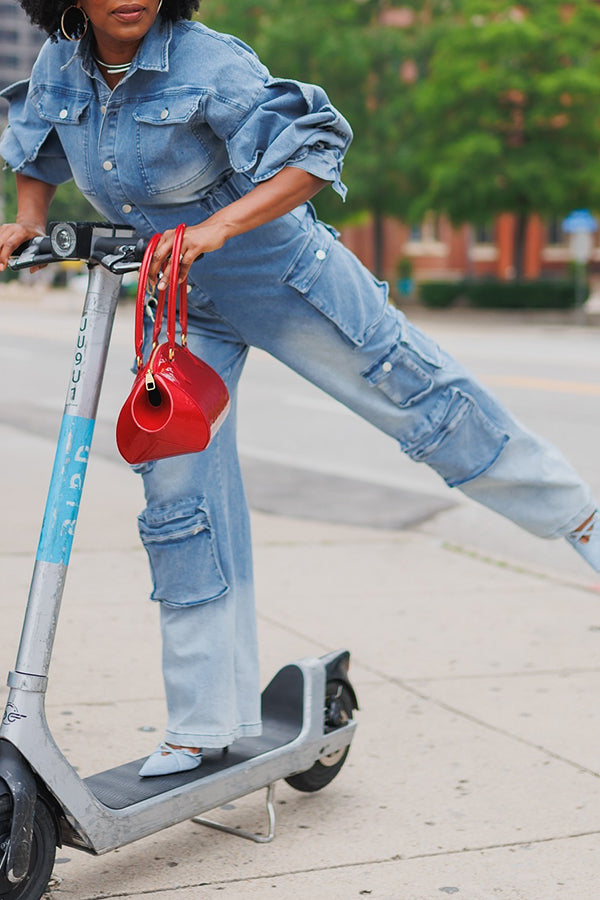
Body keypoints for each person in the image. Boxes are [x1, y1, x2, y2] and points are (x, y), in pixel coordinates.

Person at [0, 0, 598, 778]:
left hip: (283, 276)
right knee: (179, 500)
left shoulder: (207, 62)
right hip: (177, 299)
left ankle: (576, 516)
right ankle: (202, 721)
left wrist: (218, 227)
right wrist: (28, 217)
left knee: (424, 407)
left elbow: (315, 152)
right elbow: (37, 139)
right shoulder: (61, 67)